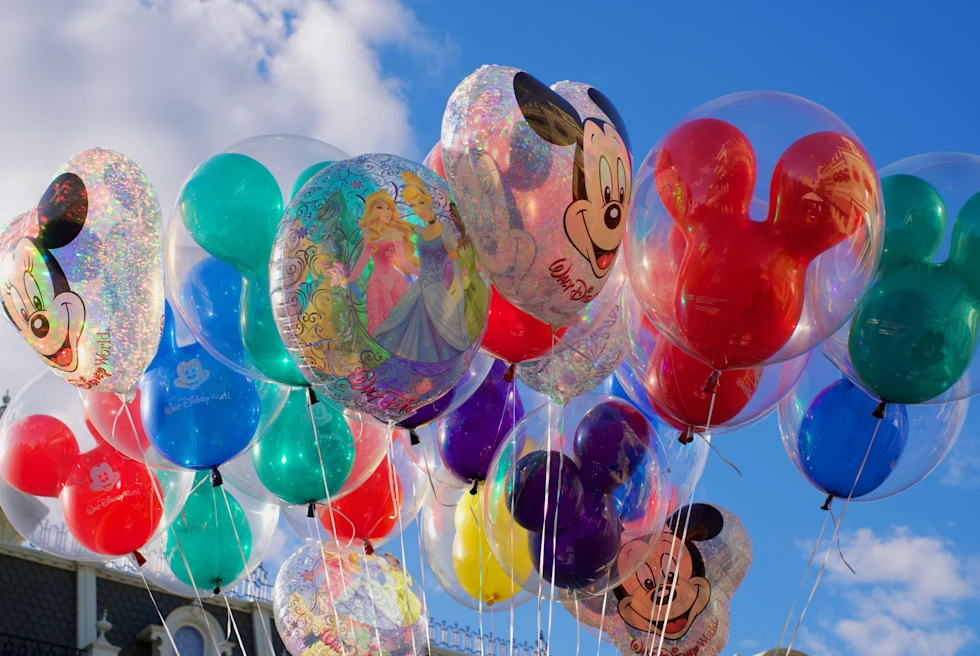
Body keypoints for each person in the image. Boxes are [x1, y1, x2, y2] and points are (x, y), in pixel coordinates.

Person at [371, 171, 470, 363]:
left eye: (421, 203)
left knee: (435, 344)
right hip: (418, 291)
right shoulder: (420, 231)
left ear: (429, 201)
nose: (418, 210)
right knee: (400, 335)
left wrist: (459, 310)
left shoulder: (446, 231)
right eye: (413, 206)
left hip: (436, 294)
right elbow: (398, 231)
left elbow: (457, 271)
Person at [328, 190, 419, 334]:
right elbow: (363, 260)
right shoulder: (369, 233)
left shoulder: (395, 232)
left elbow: (403, 261)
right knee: (379, 326)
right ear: (372, 210)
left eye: (389, 208)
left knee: (402, 324)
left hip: (395, 283)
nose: (387, 212)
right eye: (380, 207)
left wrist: (421, 273)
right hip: (376, 286)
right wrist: (349, 278)